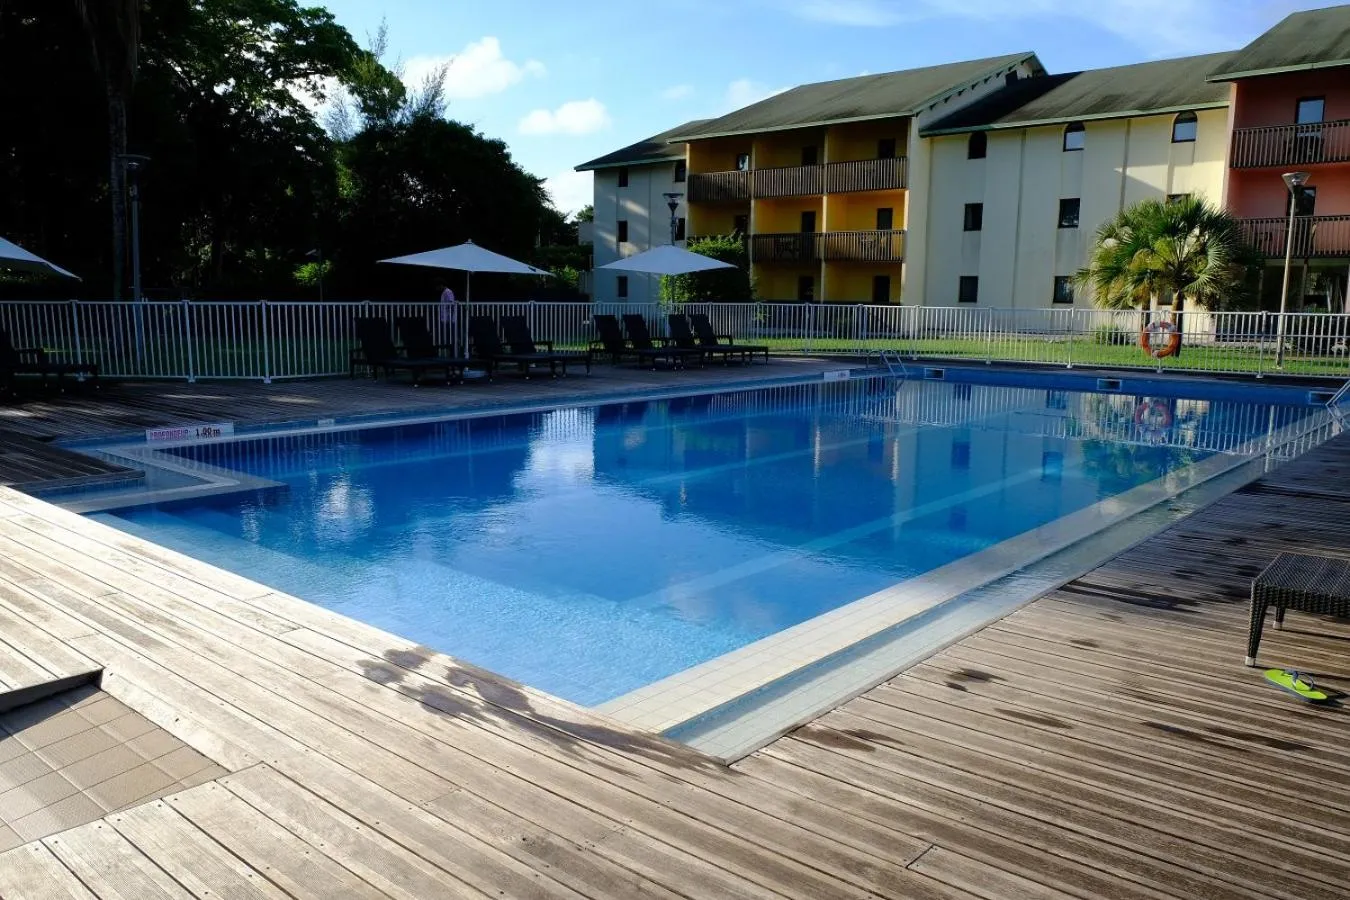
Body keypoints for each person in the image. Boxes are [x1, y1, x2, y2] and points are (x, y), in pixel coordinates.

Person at [438, 280, 458, 356]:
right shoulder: (444, 292)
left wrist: (450, 317)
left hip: (449, 319)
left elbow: (451, 303)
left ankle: (452, 353)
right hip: (445, 318)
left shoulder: (448, 292)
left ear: (441, 285)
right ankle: (449, 352)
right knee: (447, 336)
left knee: (451, 336)